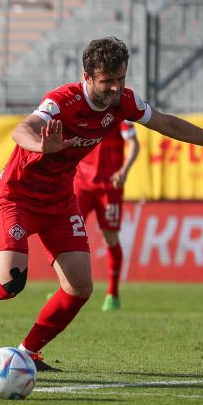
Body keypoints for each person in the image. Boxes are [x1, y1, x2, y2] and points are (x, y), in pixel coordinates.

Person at [0, 36, 203, 371]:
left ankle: (28, 353)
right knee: (9, 283)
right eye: (107, 81)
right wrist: (42, 147)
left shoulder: (123, 102)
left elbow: (165, 122)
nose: (115, 88)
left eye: (120, 79)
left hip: (60, 200)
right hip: (18, 196)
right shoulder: (62, 100)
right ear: (87, 77)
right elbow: (21, 129)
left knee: (80, 286)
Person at [73, 120, 139, 311]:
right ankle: (67, 287)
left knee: (110, 237)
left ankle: (113, 294)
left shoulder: (122, 113)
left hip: (110, 186)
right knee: (69, 232)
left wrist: (124, 171)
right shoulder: (83, 109)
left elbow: (134, 144)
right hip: (82, 183)